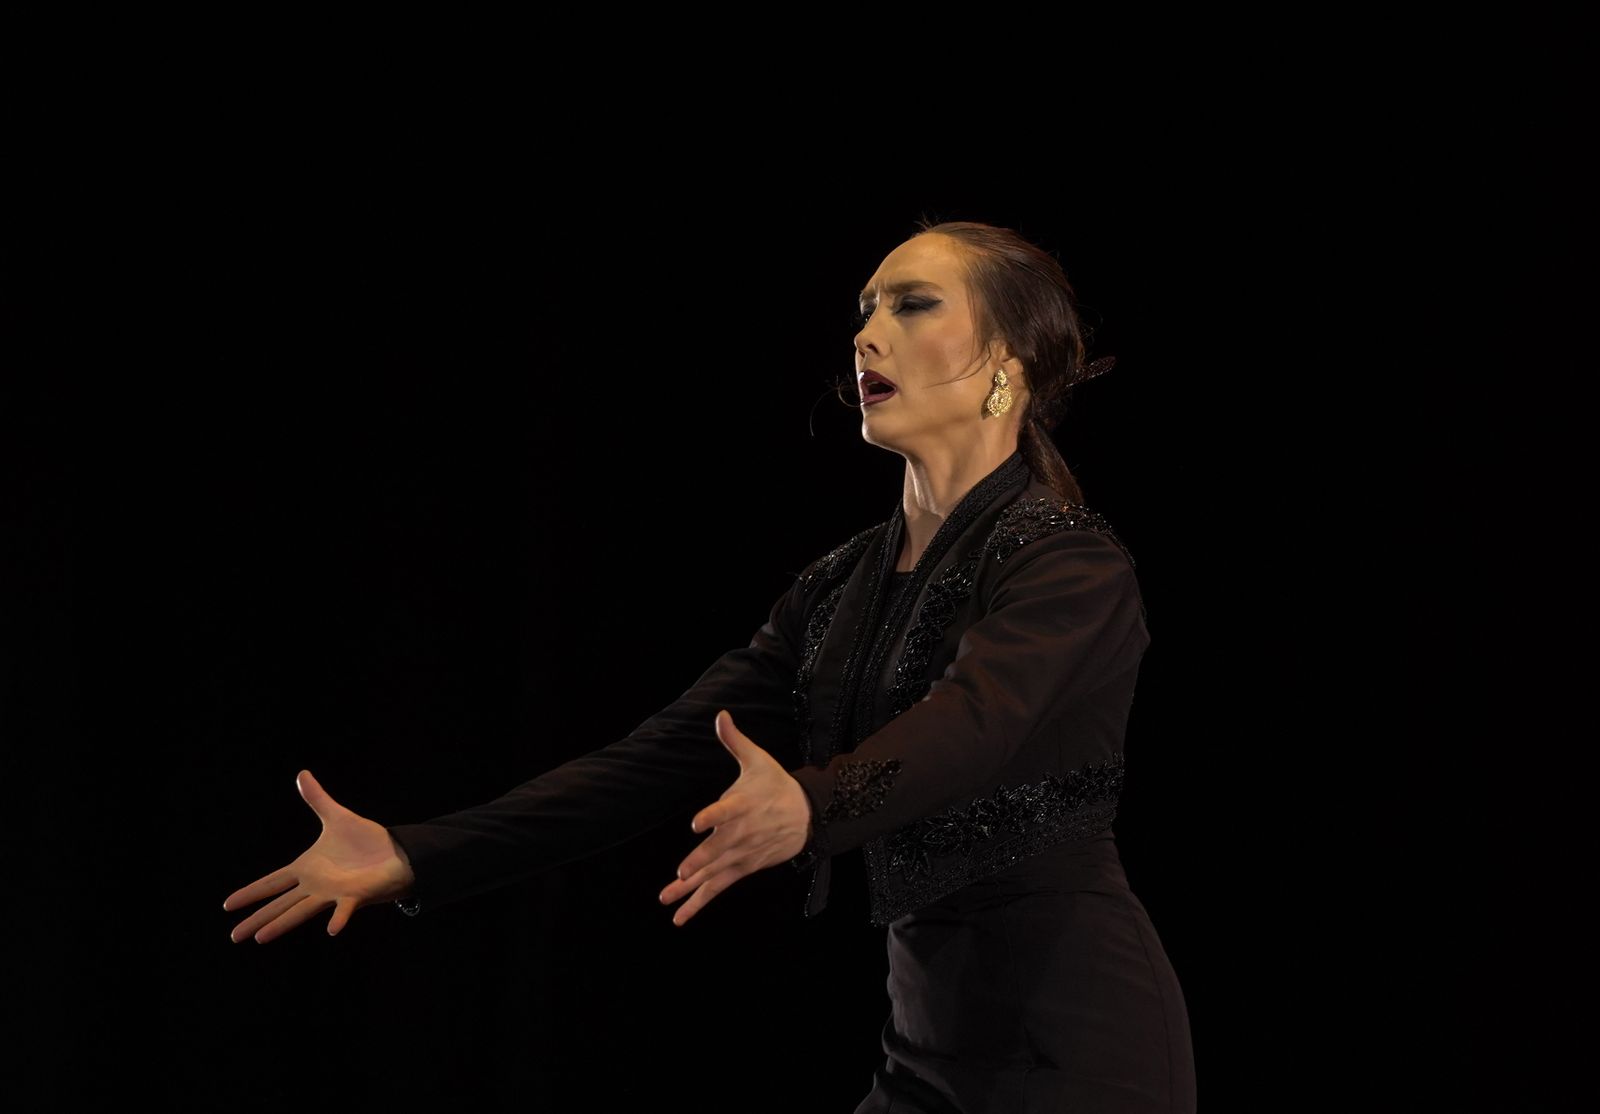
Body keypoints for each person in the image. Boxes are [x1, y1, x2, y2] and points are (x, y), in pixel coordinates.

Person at [222, 219, 1198, 1113]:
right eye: (864, 310)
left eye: (911, 305)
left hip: (1076, 1049)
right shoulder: (837, 588)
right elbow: (657, 760)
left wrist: (811, 804)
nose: (867, 334)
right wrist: (417, 852)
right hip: (925, 1053)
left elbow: (975, 722)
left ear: (1008, 360)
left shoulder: (1069, 563)